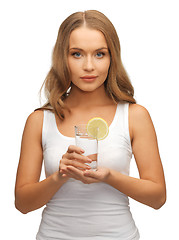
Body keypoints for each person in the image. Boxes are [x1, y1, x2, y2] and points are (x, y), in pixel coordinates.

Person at [15, 10, 166, 240]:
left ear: (112, 57)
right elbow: (22, 204)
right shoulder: (39, 120)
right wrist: (61, 175)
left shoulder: (134, 116)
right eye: (76, 54)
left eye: (99, 54)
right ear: (62, 58)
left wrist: (109, 177)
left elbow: (158, 198)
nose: (88, 66)